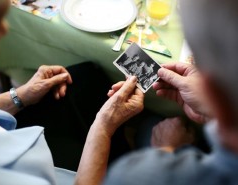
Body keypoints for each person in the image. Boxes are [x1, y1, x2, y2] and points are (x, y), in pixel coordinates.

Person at [0, 0, 144, 184]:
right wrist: (102, 129)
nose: (4, 29)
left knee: (84, 77)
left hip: (16, 142)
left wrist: (19, 96)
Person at [99, 0, 238, 184]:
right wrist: (212, 114)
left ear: (209, 91)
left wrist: (162, 151)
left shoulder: (130, 176)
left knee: (149, 126)